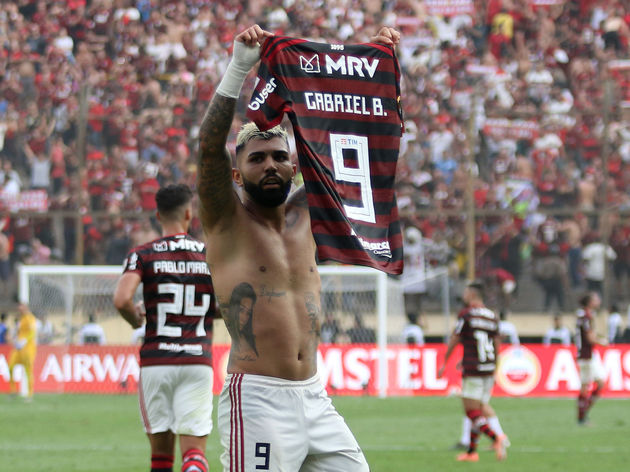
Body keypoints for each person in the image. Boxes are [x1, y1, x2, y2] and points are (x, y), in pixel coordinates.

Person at [196, 24, 401, 472]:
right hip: (259, 400)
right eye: (256, 159)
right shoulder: (227, 222)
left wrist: (375, 65)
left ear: (295, 165)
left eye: (279, 157)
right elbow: (209, 150)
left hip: (314, 394)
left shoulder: (309, 211)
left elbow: (358, 135)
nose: (270, 165)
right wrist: (238, 69)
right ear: (236, 175)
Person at [113, 184, 217, 472]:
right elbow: (229, 304)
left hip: (157, 360)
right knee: (194, 453)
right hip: (198, 359)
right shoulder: (209, 254)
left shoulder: (143, 254)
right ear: (189, 213)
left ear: (158, 215)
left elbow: (122, 299)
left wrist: (135, 319)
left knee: (160, 458)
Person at [438, 281, 508, 462]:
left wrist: (445, 362)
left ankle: (497, 438)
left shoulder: (466, 314)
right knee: (479, 409)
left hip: (474, 368)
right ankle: (471, 452)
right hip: (488, 366)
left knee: (472, 412)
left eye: (466, 292)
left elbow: (455, 338)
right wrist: (495, 365)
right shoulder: (492, 316)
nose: (464, 295)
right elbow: (495, 343)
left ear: (472, 294)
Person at [575, 292, 606, 425]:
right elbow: (590, 338)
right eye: (596, 299)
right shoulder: (586, 316)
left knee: (585, 386)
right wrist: (602, 341)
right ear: (590, 302)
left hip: (584, 354)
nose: (598, 301)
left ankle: (582, 415)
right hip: (587, 356)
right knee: (599, 383)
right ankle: (583, 415)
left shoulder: (583, 315)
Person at [7, 302, 38, 400]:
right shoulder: (21, 319)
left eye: (21, 307)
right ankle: (13, 391)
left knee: (28, 370)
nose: (19, 309)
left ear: (25, 307)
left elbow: (33, 332)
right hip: (18, 348)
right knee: (10, 366)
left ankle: (30, 394)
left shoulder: (30, 318)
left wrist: (25, 340)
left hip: (28, 348)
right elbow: (19, 331)